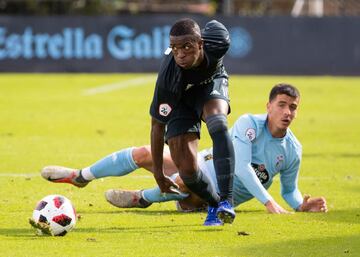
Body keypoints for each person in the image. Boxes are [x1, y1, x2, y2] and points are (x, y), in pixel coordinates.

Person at [41, 84, 327, 224]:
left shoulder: (293, 151)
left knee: (183, 182)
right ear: (268, 105)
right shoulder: (249, 125)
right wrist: (268, 202)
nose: (287, 112)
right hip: (199, 160)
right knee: (144, 153)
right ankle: (81, 176)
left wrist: (301, 204)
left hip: (211, 195)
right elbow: (240, 167)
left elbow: (290, 190)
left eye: (293, 107)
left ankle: (141, 197)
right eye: (282, 104)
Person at [148, 18, 235, 225]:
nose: (180, 54)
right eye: (174, 48)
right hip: (180, 100)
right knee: (186, 170)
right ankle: (215, 205)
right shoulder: (168, 79)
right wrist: (159, 174)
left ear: (200, 43)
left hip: (210, 85)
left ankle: (227, 201)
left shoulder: (218, 41)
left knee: (218, 124)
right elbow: (157, 127)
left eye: (186, 46)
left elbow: (214, 22)